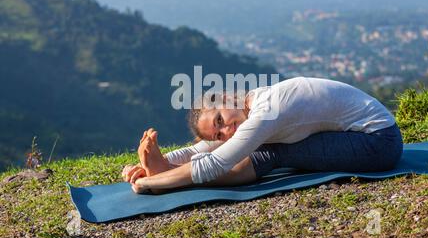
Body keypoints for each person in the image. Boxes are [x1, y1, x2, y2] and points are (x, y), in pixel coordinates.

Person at [121, 76, 404, 194]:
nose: (225, 130)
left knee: (271, 149)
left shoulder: (267, 110)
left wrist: (157, 180)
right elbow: (203, 149)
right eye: (219, 133)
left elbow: (215, 163)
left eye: (220, 119)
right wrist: (161, 162)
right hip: (364, 136)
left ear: (230, 98)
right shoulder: (252, 104)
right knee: (257, 144)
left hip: (378, 142)